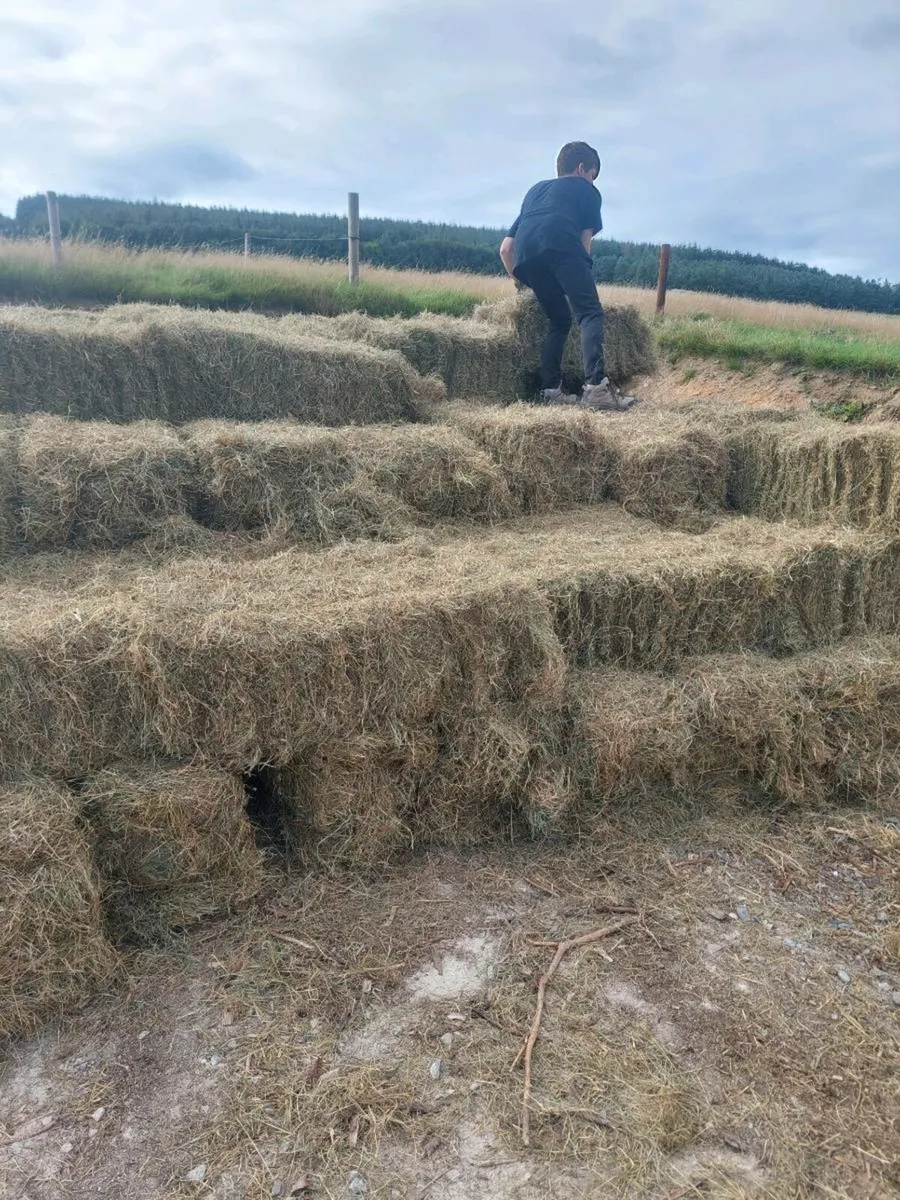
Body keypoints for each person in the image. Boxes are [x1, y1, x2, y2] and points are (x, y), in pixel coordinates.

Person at [499, 141, 634, 412]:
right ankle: (596, 389)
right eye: (592, 175)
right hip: (563, 248)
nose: (591, 181)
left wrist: (522, 282)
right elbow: (584, 242)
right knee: (589, 313)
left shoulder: (535, 191)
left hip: (527, 258)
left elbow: (505, 248)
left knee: (559, 319)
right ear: (583, 168)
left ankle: (551, 391)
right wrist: (581, 279)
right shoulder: (587, 191)